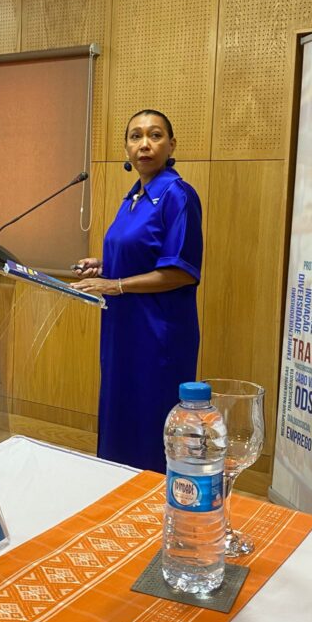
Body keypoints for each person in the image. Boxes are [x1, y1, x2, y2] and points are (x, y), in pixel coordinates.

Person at [75, 109, 203, 472]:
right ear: (126, 148)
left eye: (155, 135)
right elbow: (141, 254)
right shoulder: (131, 198)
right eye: (135, 136)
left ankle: (152, 504)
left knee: (150, 418)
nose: (144, 144)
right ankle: (115, 492)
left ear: (171, 145)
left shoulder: (178, 196)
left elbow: (180, 271)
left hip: (158, 333)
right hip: (123, 328)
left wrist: (114, 283)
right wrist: (103, 264)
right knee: (120, 410)